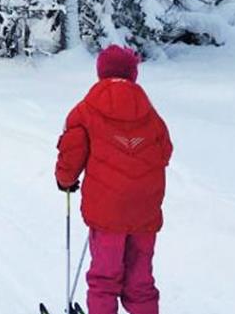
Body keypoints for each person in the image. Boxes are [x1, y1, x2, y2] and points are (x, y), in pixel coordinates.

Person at [55, 45, 173, 314]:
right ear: (133, 74)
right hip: (144, 210)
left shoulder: (85, 109)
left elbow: (72, 151)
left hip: (107, 212)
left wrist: (65, 180)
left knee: (104, 279)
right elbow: (165, 152)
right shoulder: (150, 113)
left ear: (101, 72)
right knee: (141, 280)